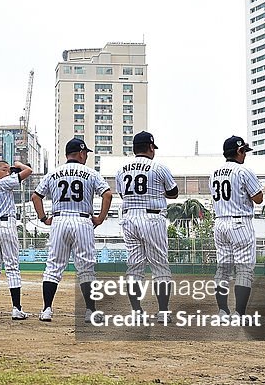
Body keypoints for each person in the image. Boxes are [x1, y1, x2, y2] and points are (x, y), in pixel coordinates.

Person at [32, 138, 113, 323]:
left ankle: (46, 310)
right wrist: (100, 218)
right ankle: (90, 311)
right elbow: (107, 194)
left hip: (59, 220)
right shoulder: (90, 173)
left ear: (67, 154)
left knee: (53, 267)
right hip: (82, 220)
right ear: (82, 153)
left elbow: (36, 196)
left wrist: (44, 218)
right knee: (86, 268)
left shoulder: (54, 173)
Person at [114, 131, 178, 314]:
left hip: (129, 218)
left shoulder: (122, 169)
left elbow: (122, 194)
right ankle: (163, 312)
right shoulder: (158, 167)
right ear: (150, 147)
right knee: (160, 266)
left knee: (134, 266)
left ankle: (136, 311)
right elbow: (173, 192)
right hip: (152, 218)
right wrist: (158, 193)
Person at [207, 136, 264, 317]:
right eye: (244, 151)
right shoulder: (243, 171)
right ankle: (239, 313)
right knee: (244, 269)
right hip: (240, 223)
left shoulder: (214, 173)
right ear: (239, 151)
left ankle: (223, 311)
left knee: (223, 269)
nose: (245, 155)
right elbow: (259, 198)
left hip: (220, 222)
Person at [0, 160, 33, 319]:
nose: (8, 172)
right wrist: (18, 164)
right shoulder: (4, 183)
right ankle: (16, 308)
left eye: (9, 170)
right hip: (5, 224)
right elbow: (28, 171)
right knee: (12, 267)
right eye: (4, 169)